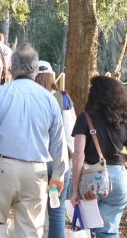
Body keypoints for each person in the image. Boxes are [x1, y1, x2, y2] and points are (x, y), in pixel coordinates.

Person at [0, 44, 66, 238]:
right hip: (36, 170)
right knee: (30, 229)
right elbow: (59, 141)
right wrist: (59, 173)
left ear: (11, 69)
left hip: (1, 167)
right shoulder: (49, 99)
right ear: (35, 69)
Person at [70, 76, 127, 238]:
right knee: (109, 232)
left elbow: (79, 155)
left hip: (92, 180)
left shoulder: (84, 119)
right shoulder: (124, 121)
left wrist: (75, 190)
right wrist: (118, 156)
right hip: (119, 179)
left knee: (89, 230)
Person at [35, 61, 75, 238]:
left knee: (33, 209)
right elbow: (69, 130)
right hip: (59, 161)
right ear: (52, 76)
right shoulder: (63, 98)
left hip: (37, 161)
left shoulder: (30, 97)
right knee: (56, 211)